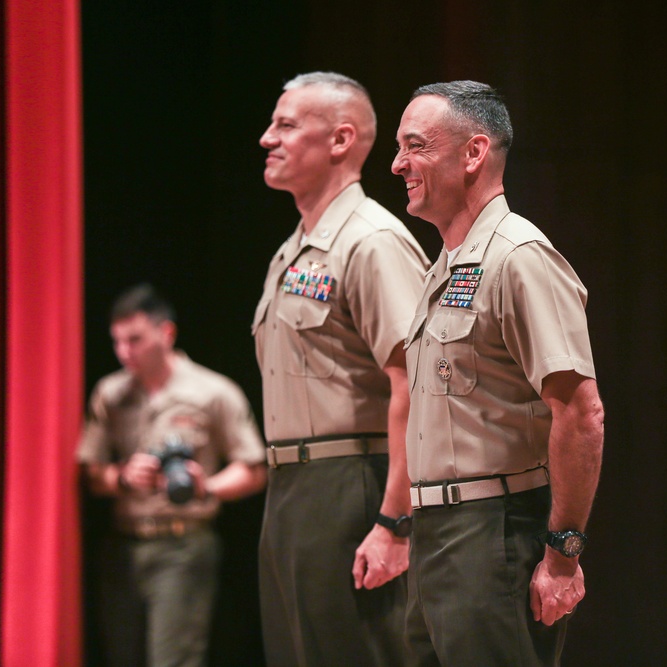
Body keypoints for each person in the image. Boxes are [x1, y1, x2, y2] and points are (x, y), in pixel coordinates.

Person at [391, 81, 605, 666]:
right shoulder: (447, 267)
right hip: (437, 533)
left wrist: (563, 555)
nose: (397, 164)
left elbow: (581, 411)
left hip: (492, 532)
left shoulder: (518, 256)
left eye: (415, 146)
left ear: (474, 152)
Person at [252, 71, 430, 666]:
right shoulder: (292, 250)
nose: (266, 139)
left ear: (340, 140)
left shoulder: (373, 241)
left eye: (285, 125)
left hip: (353, 485)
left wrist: (393, 522)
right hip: (291, 489)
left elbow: (417, 385)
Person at [77, 284, 267, 667]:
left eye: (135, 339)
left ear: (166, 333)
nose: (124, 351)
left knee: (173, 660)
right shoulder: (110, 393)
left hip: (183, 546)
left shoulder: (212, 391)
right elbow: (88, 472)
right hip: (123, 546)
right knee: (120, 656)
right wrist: (123, 478)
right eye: (117, 341)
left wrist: (206, 486)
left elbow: (254, 469)